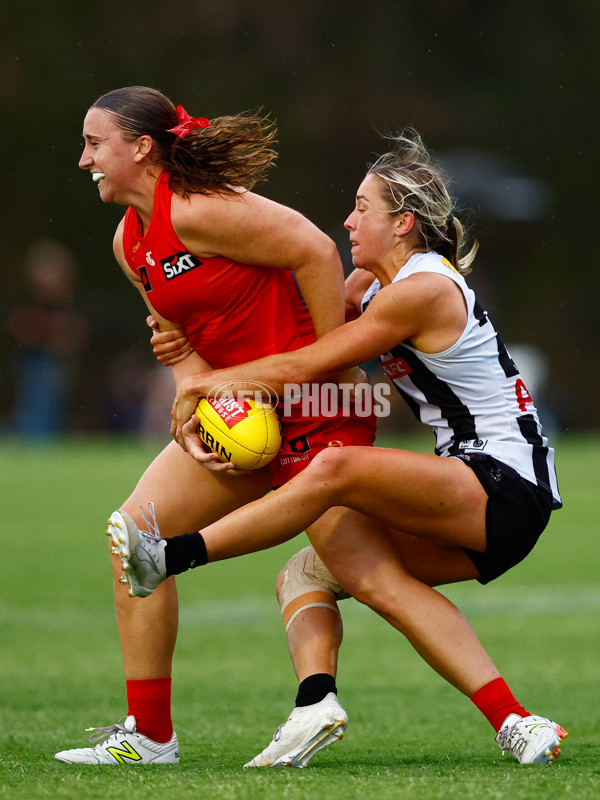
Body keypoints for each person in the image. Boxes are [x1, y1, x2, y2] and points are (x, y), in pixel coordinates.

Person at [114, 129, 568, 767]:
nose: (348, 220)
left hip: (502, 482)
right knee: (319, 572)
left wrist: (208, 384)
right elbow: (287, 309)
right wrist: (185, 338)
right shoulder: (373, 286)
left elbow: (309, 364)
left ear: (404, 222)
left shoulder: (423, 288)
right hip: (472, 490)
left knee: (336, 469)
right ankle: (473, 719)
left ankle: (171, 557)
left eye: (362, 208)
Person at [54, 86, 376, 766]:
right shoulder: (128, 241)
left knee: (371, 574)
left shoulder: (198, 209)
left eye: (93, 144)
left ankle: (508, 715)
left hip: (314, 406)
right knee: (131, 535)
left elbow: (316, 250)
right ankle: (149, 737)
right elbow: (179, 347)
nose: (83, 159)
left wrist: (333, 365)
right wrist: (193, 405)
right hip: (240, 416)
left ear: (141, 148)